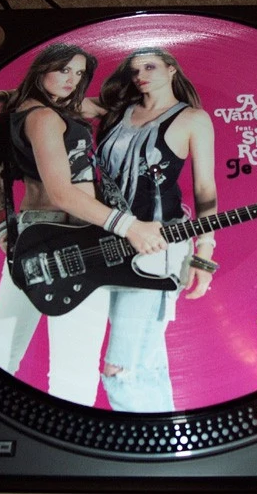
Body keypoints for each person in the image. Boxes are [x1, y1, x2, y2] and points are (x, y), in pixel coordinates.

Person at [0, 43, 167, 406]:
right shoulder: (44, 118)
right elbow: (61, 193)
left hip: (35, 237)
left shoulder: (35, 111)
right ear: (42, 68)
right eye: (63, 70)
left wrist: (0, 96)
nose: (72, 80)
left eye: (78, 74)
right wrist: (129, 226)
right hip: (69, 239)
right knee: (72, 372)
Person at [90, 47, 218, 412]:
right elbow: (55, 99)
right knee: (146, 360)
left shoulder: (193, 119)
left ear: (172, 69)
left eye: (149, 67)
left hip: (159, 248)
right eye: (134, 70)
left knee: (121, 368)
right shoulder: (118, 111)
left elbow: (204, 189)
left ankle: (136, 439)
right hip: (106, 243)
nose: (140, 76)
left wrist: (204, 254)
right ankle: (168, 433)